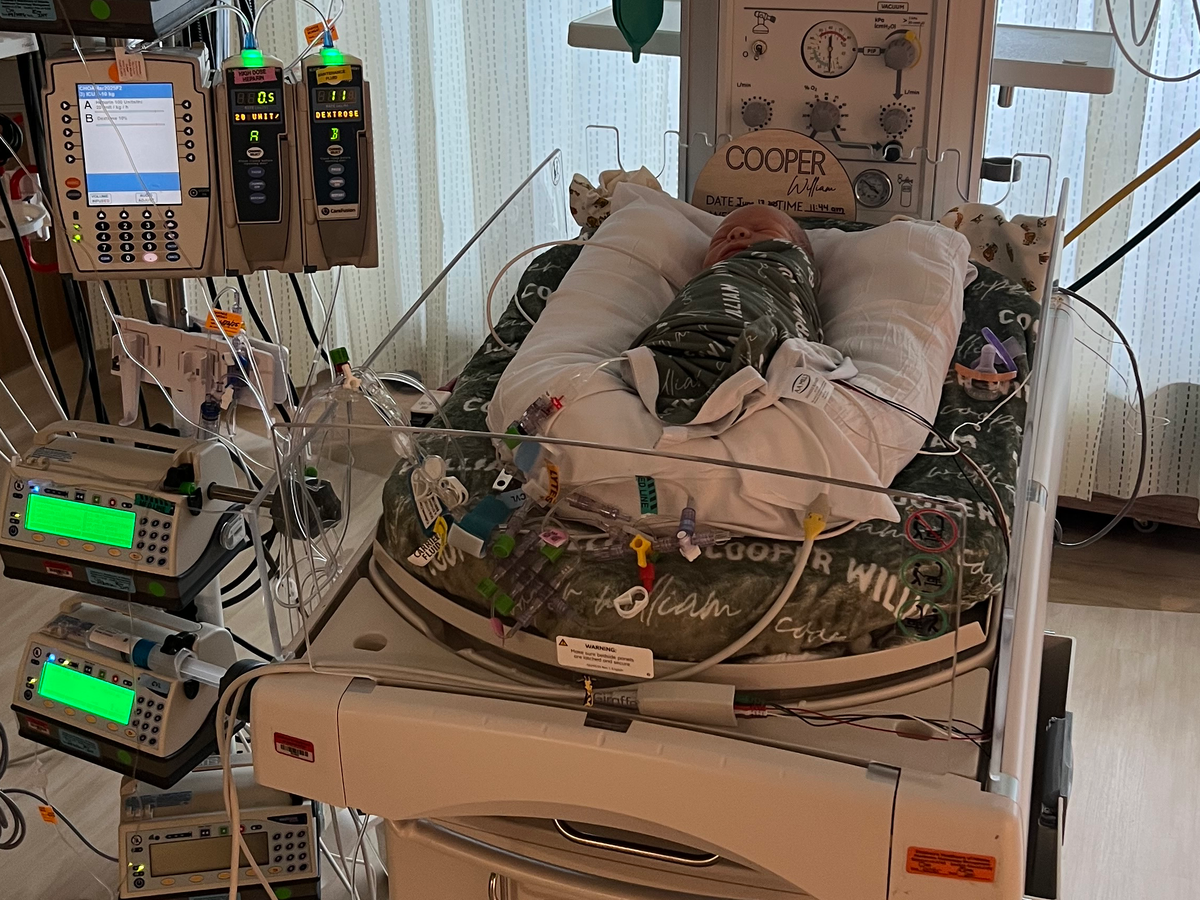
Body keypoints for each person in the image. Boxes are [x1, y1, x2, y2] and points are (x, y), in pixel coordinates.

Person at [627, 203, 822, 425]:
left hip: (766, 342)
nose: (736, 233)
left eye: (762, 229)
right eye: (720, 239)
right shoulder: (711, 277)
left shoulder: (787, 267)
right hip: (687, 335)